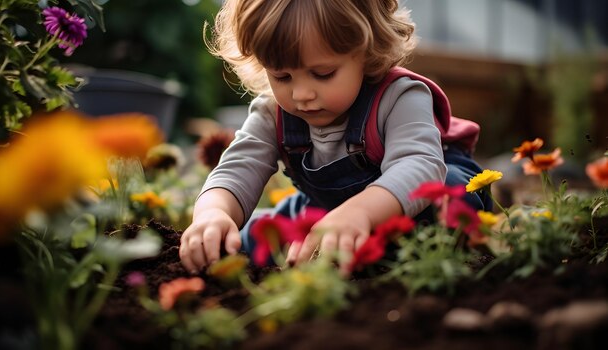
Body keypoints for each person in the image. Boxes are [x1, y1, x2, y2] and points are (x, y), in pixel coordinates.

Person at [179, 0, 490, 274]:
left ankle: (389, 254)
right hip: (330, 214)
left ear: (367, 53)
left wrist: (359, 213)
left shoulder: (400, 96)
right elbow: (238, 168)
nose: (301, 94)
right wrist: (213, 214)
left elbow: (420, 166)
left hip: (413, 211)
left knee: (451, 192)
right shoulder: (272, 112)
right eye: (282, 76)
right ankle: (342, 251)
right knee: (256, 236)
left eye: (323, 73)